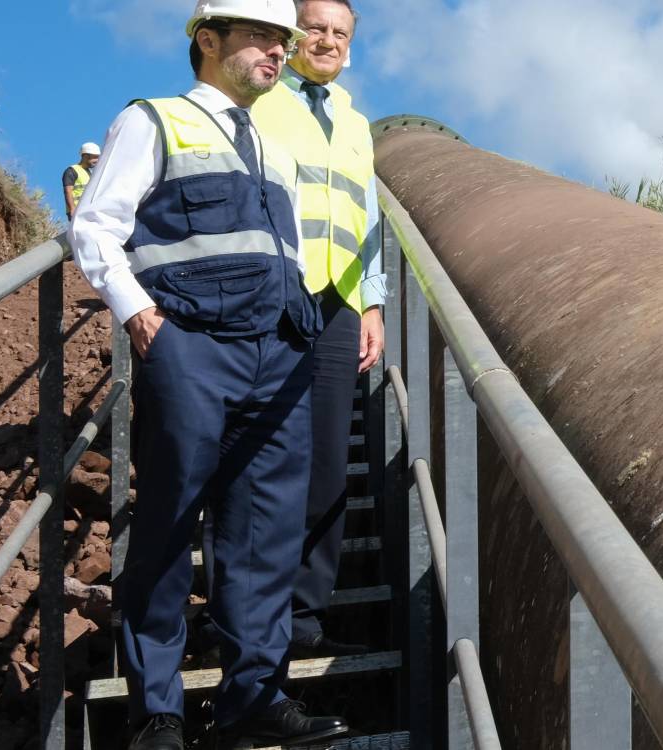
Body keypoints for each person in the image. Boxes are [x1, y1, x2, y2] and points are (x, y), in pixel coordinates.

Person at [68, 1, 347, 747]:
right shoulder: (155, 120)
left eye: (282, 43)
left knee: (265, 535)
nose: (278, 53)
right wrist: (137, 314)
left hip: (277, 350)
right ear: (208, 40)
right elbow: (96, 224)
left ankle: (253, 698)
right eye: (261, 37)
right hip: (190, 344)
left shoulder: (272, 148)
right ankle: (157, 709)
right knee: (168, 518)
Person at [251, 0, 385, 658]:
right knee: (259, 455)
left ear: (349, 47)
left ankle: (303, 621)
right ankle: (250, 619)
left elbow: (372, 221)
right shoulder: (260, 96)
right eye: (316, 27)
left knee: (329, 462)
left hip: (338, 302)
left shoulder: (357, 123)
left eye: (339, 32)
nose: (326, 40)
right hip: (268, 295)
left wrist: (374, 305)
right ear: (293, 33)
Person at [62, 142, 100, 221]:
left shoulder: (89, 173)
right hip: (76, 211)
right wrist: (72, 209)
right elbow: (68, 191)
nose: (97, 160)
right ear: (85, 156)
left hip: (86, 210)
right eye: (95, 157)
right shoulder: (71, 170)